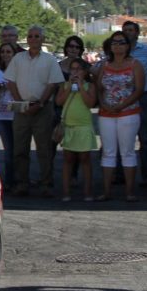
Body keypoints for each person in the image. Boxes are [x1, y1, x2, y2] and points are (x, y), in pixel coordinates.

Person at [4, 25, 64, 197]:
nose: (33, 39)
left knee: (44, 149)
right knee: (19, 149)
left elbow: (53, 84)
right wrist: (19, 102)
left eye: (37, 36)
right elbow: (11, 82)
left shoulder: (50, 60)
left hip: (43, 108)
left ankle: (46, 183)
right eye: (30, 36)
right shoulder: (18, 58)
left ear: (42, 39)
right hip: (21, 107)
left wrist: (41, 103)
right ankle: (22, 183)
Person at [96, 30, 144, 201]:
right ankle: (106, 192)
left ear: (128, 45)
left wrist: (122, 105)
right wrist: (104, 104)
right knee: (108, 152)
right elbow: (99, 88)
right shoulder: (104, 65)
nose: (118, 45)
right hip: (106, 114)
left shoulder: (135, 64)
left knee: (127, 152)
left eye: (121, 42)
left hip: (128, 113)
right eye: (115, 42)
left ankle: (130, 192)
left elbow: (139, 89)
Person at [123, 20, 147, 186]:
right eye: (125, 30)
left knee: (144, 138)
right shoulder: (116, 50)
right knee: (121, 139)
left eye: (131, 30)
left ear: (137, 33)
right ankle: (119, 175)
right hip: (121, 98)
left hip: (143, 97)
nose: (128, 33)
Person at [55, 58, 98, 202]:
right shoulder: (65, 85)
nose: (75, 72)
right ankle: (66, 192)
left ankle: (88, 192)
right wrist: (69, 88)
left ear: (85, 72)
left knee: (85, 159)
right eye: (73, 69)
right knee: (68, 159)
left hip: (84, 126)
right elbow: (59, 102)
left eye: (78, 69)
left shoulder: (89, 86)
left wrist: (80, 86)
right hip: (69, 126)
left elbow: (90, 103)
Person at [0, 43, 18, 186]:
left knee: (15, 150)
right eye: (3, 52)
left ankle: (15, 179)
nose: (5, 54)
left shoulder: (19, 71)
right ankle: (7, 181)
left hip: (15, 113)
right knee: (4, 149)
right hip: (0, 114)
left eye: (8, 51)